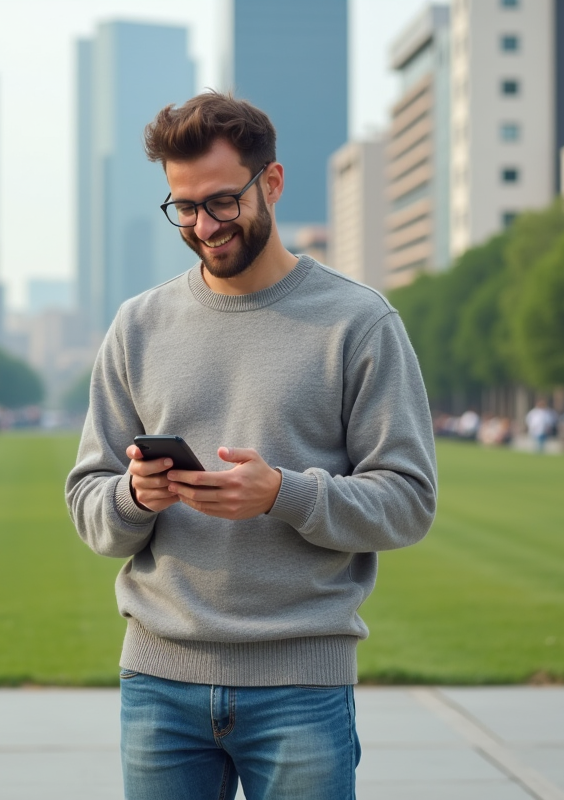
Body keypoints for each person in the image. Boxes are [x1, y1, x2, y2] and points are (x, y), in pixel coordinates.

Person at [65, 93, 438, 799]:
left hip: (302, 686)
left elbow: (410, 502)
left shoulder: (359, 322)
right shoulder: (137, 325)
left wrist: (283, 494)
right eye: (184, 207)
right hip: (158, 685)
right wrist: (132, 496)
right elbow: (88, 499)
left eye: (222, 202)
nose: (204, 226)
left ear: (271, 183)